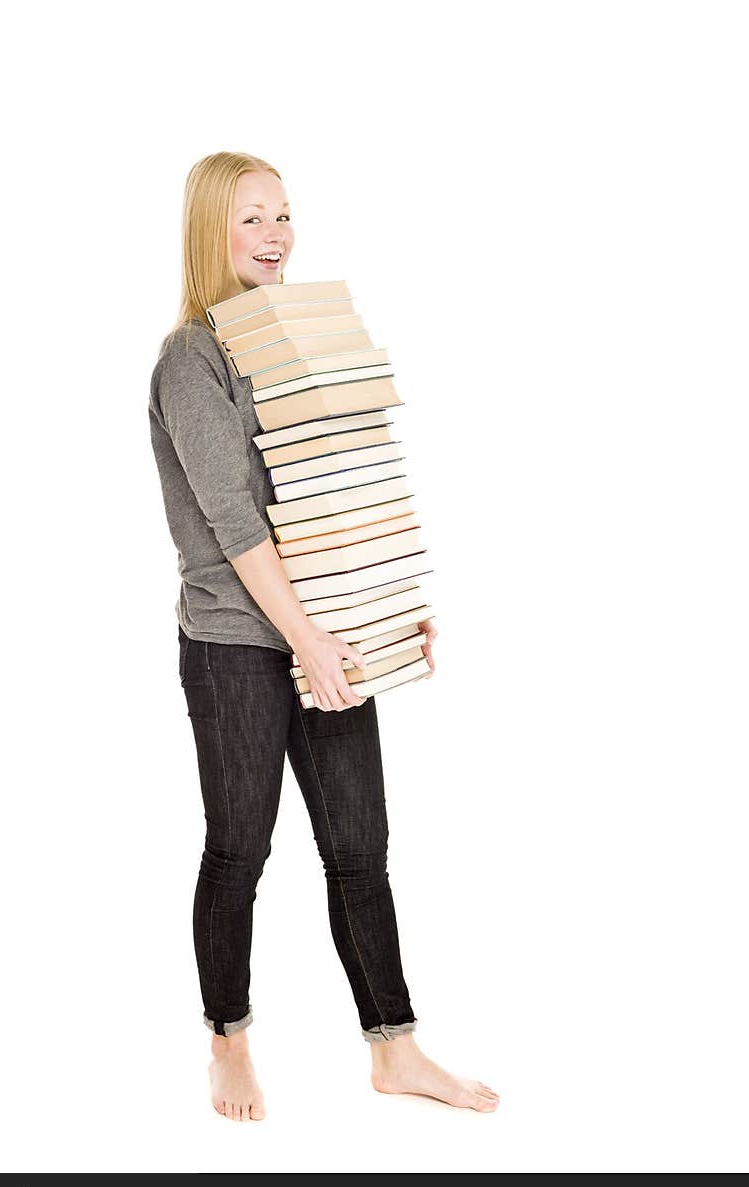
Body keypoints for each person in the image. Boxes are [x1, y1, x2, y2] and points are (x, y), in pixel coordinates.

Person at [147, 151, 499, 1122]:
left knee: (359, 846)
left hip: (328, 631)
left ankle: (395, 1049)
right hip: (234, 642)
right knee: (240, 847)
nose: (275, 234)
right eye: (252, 217)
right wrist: (303, 638)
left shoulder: (295, 338)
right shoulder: (193, 355)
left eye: (285, 215)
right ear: (210, 229)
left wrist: (383, 612)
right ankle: (228, 1039)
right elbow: (236, 519)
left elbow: (340, 489)